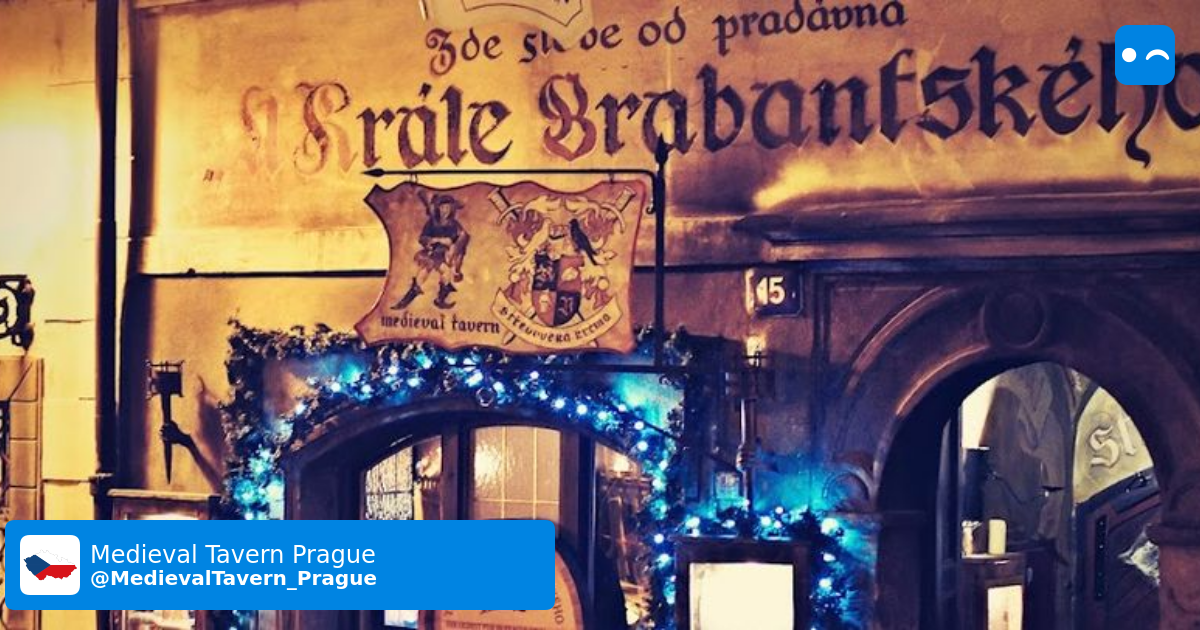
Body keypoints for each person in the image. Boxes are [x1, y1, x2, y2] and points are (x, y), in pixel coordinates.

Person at [391, 192, 471, 310]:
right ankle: (405, 302)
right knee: (423, 275)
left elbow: (463, 239)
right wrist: (434, 240)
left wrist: (453, 248)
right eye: (443, 207)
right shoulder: (432, 223)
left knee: (446, 274)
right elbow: (422, 238)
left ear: (451, 209)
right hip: (431, 253)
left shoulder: (454, 225)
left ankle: (440, 300)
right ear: (439, 208)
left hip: (444, 255)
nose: (445, 210)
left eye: (448, 208)